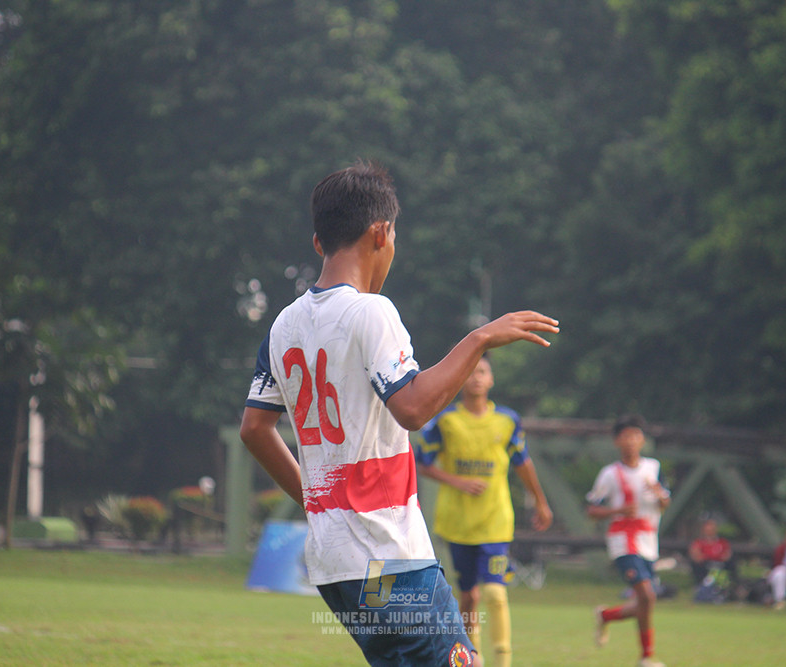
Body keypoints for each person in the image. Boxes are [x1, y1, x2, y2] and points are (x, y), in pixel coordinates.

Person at [239, 160, 559, 667]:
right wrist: (478, 340)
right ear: (382, 232)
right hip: (389, 557)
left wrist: (315, 499)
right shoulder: (371, 311)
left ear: (319, 242)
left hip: (333, 564)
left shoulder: (283, 326)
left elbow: (254, 429)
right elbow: (411, 407)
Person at [414, 356, 554, 667]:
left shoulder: (507, 420)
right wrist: (457, 481)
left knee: (494, 592)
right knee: (469, 598)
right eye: (471, 371)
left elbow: (522, 462)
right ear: (461, 378)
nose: (477, 377)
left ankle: (503, 661)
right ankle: (471, 658)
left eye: (483, 372)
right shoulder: (446, 421)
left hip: (495, 520)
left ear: (491, 380)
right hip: (458, 522)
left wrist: (541, 502)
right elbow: (423, 463)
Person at [586, 414, 670, 667]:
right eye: (626, 436)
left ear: (642, 440)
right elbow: (591, 510)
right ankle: (646, 657)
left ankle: (605, 615)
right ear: (616, 441)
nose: (631, 441)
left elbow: (665, 503)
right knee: (647, 595)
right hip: (623, 540)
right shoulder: (610, 474)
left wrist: (659, 495)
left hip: (648, 540)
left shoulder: (653, 468)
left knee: (645, 601)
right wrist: (618, 511)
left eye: (636, 435)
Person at [688, 517, 735, 590]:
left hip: (720, 564)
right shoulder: (699, 543)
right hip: (705, 565)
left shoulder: (722, 542)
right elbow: (696, 555)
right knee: (697, 565)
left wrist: (717, 558)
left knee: (731, 564)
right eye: (708, 530)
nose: (710, 532)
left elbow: (727, 554)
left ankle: (729, 585)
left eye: (712, 530)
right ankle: (701, 586)